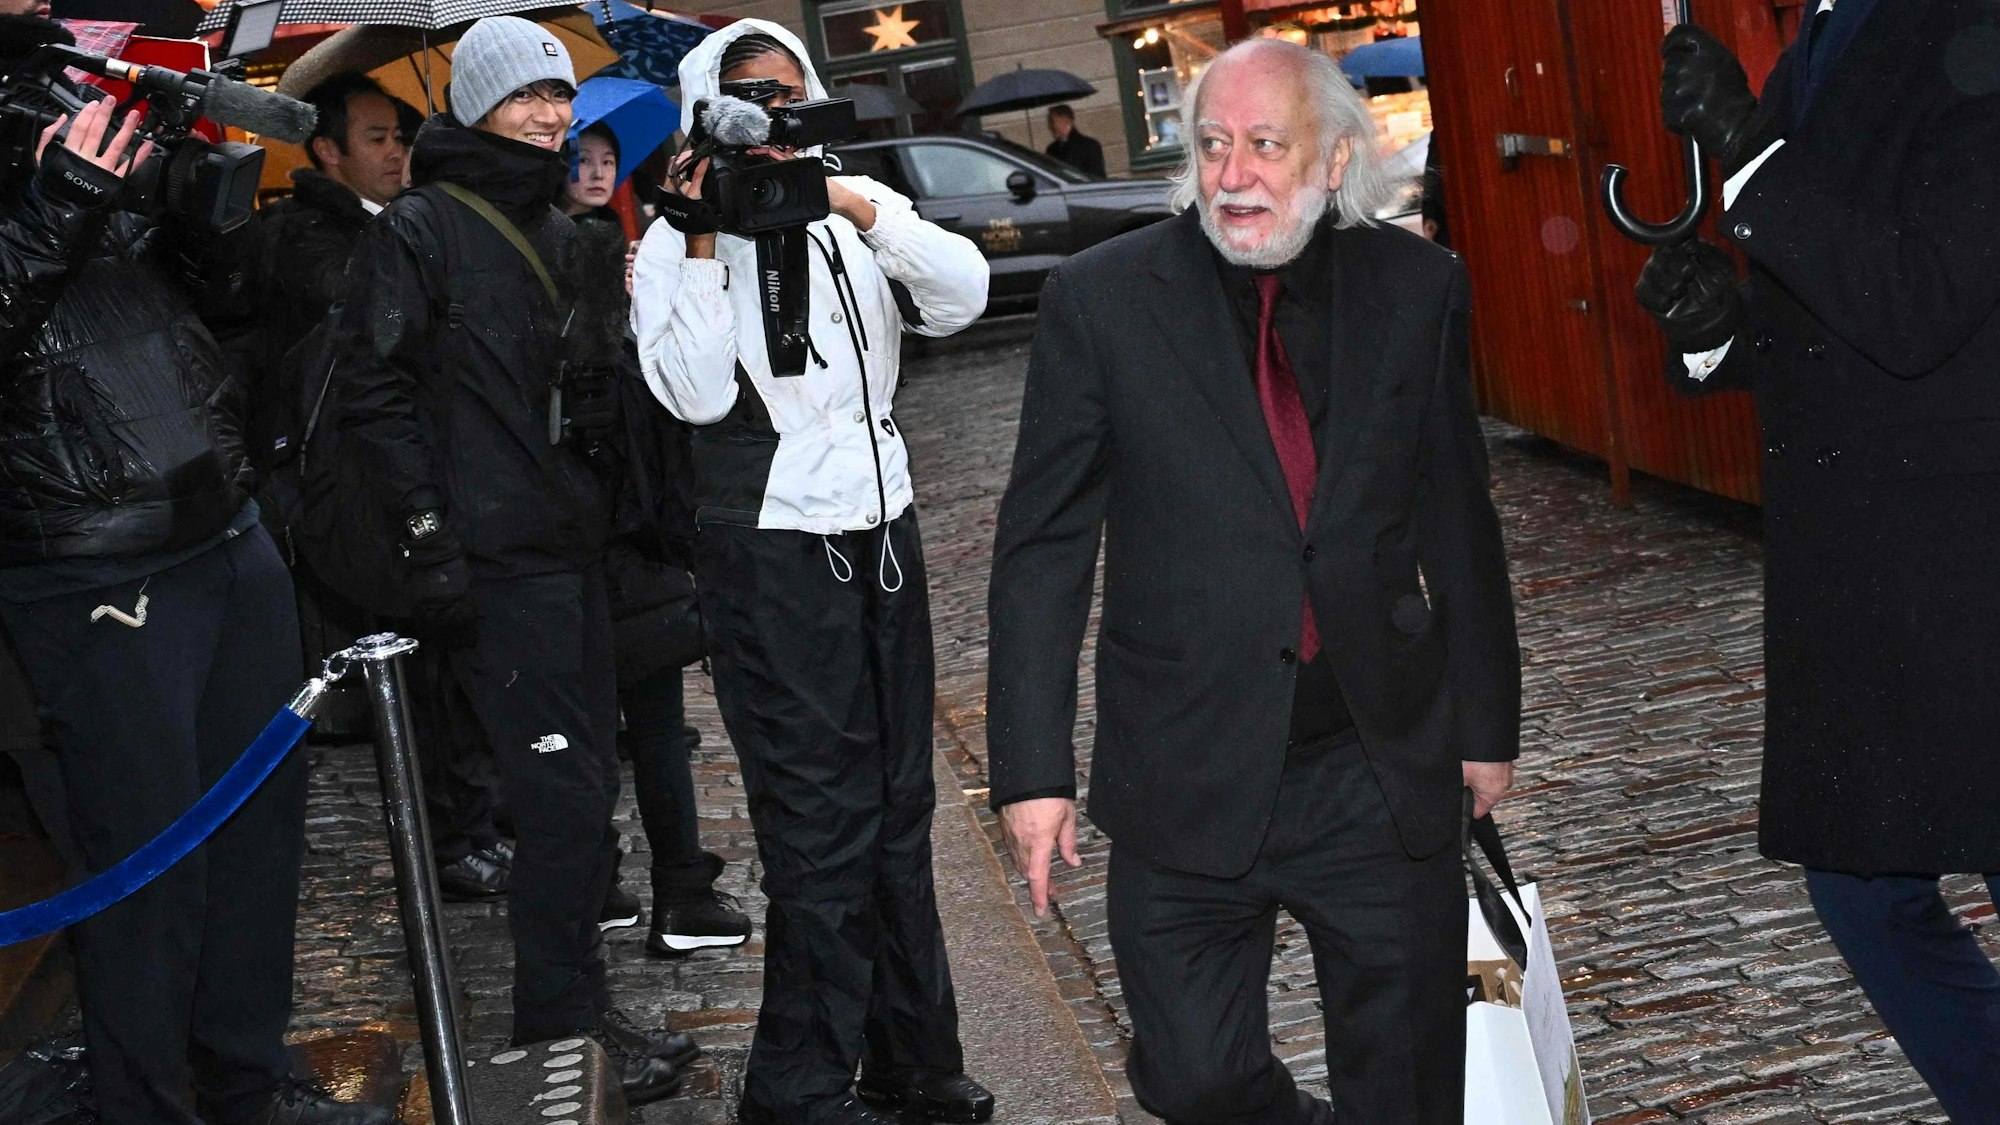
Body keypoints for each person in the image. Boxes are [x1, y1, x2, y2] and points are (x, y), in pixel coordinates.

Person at [988, 38, 1521, 1125]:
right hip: (1181, 765)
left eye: (1264, 147)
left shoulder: (1417, 287)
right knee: (1193, 1079)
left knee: (1408, 1086)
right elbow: (1041, 545)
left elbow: (1456, 519)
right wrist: (1029, 772)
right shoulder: (1102, 301)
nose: (1230, 176)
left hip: (1372, 763)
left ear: (1331, 162)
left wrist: (1486, 725)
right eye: (1213, 145)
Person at [0, 20, 387, 1125]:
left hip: (218, 518)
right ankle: (147, 1103)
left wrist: (187, 187)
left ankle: (247, 1086)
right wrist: (58, 203)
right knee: (147, 873)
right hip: (84, 556)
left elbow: (200, 302)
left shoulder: (65, 81)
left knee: (258, 843)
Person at [1634, 4, 2000, 1118]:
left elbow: (1922, 298)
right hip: (1855, 565)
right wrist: (1720, 331)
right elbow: (1830, 299)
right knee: (1858, 882)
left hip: (1969, 559)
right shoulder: (1821, 39)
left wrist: (1749, 158)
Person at [323, 15, 694, 1104]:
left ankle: (571, 1009)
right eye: (526, 97)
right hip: (493, 566)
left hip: (572, 553)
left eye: (556, 96)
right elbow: (375, 395)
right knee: (560, 797)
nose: (549, 114)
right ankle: (558, 1024)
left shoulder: (565, 225)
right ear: (476, 104)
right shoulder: (422, 228)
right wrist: (430, 536)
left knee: (578, 796)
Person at [631, 20, 994, 1125]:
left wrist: (854, 202)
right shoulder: (672, 238)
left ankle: (911, 1054)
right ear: (707, 109)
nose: (772, 117)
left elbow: (962, 295)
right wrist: (697, 234)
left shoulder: (845, 211)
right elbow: (691, 395)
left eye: (789, 96)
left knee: (898, 807)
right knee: (816, 821)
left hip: (881, 529)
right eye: (748, 99)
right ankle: (794, 1086)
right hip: (772, 547)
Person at [560, 122, 755, 953]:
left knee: (651, 722)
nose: (598, 173)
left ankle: (668, 891)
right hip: (601, 529)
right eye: (583, 160)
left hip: (637, 531)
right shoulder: (563, 256)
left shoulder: (621, 246)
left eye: (608, 161)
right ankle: (625, 889)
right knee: (600, 729)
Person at [1043, 103, 1104, 178]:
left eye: (1052, 122)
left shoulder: (1089, 146)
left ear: (1065, 120)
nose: (1049, 126)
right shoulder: (1051, 149)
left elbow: (1097, 178)